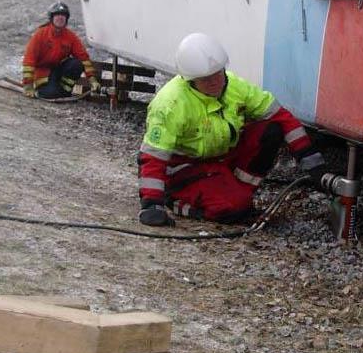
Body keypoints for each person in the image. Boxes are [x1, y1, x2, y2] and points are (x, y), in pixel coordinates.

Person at [137, 33, 328, 226]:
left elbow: (281, 117)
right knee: (229, 209)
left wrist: (313, 163)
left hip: (221, 158)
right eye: (206, 79)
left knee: (272, 130)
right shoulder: (170, 104)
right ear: (190, 80)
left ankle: (239, 192)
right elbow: (154, 157)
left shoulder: (235, 86)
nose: (214, 82)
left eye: (218, 74)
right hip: (184, 168)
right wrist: (152, 204)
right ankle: (177, 199)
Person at [22, 1, 100, 99]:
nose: (60, 18)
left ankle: (64, 92)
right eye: (57, 15)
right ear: (51, 18)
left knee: (76, 64)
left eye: (63, 15)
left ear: (66, 19)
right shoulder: (40, 34)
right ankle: (50, 91)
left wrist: (92, 80)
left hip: (58, 71)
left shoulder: (70, 36)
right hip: (43, 74)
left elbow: (84, 58)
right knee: (50, 94)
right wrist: (28, 86)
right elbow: (29, 61)